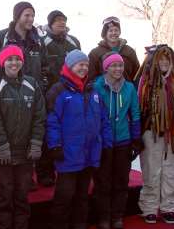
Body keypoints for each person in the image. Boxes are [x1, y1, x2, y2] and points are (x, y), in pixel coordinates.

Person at [46, 49, 112, 229]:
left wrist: (106, 144)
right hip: (68, 154)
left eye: (86, 65)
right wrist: (55, 145)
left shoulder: (93, 91)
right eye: (79, 64)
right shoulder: (58, 90)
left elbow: (103, 119)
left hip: (89, 154)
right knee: (64, 197)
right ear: (69, 66)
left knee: (82, 197)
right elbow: (52, 121)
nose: (83, 68)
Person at [0, 45, 46, 229]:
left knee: (21, 197)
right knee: (3, 198)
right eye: (9, 59)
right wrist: (2, 145)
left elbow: (39, 116)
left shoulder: (31, 84)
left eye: (17, 59)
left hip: (25, 153)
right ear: (2, 62)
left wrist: (36, 142)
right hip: (1, 154)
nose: (14, 63)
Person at [0, 1, 48, 190]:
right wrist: (2, 83)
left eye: (32, 15)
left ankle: (27, 177)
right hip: (6, 92)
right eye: (26, 15)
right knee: (9, 129)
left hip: (31, 92)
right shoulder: (2, 37)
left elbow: (45, 65)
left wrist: (42, 83)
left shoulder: (37, 39)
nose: (30, 19)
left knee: (29, 131)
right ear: (17, 17)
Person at [137, 44, 174, 224]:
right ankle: (149, 207)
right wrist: (137, 133)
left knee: (172, 171)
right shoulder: (146, 82)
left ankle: (168, 207)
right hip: (151, 132)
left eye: (167, 59)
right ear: (154, 61)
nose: (163, 62)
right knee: (152, 170)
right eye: (160, 59)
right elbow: (138, 108)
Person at [93, 52, 142, 229]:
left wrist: (136, 139)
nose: (118, 69)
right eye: (113, 65)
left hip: (123, 141)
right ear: (106, 67)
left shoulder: (129, 88)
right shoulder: (97, 86)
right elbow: (94, 114)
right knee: (103, 182)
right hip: (104, 143)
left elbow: (135, 114)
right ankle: (104, 217)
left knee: (121, 181)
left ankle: (117, 216)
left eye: (120, 65)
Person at [37, 10, 81, 187]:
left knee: (69, 132)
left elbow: (81, 63)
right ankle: (44, 172)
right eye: (57, 21)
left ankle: (68, 167)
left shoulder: (74, 41)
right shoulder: (42, 42)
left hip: (70, 92)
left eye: (63, 20)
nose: (61, 23)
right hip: (50, 94)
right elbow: (38, 66)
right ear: (50, 24)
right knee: (49, 132)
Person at [88, 16, 139, 82]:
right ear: (105, 33)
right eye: (110, 31)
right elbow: (91, 77)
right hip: (103, 90)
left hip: (127, 90)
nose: (114, 33)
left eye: (116, 30)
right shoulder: (95, 53)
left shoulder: (129, 51)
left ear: (119, 32)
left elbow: (137, 75)